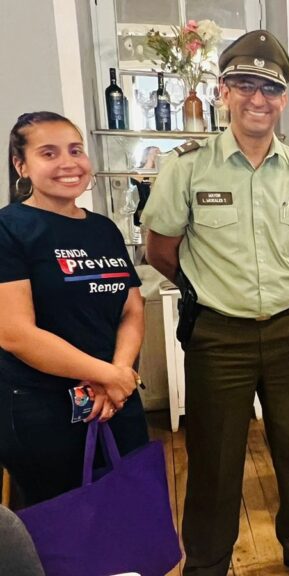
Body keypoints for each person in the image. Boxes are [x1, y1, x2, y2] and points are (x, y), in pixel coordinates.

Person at [143, 31, 289, 576]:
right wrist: (212, 289)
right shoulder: (188, 167)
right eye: (246, 84)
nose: (258, 98)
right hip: (218, 337)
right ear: (223, 90)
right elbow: (160, 249)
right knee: (215, 461)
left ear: (284, 98)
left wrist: (277, 285)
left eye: (270, 88)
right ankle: (207, 564)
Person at [0, 111, 147, 506]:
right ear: (21, 165)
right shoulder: (9, 229)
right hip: (44, 411)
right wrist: (107, 375)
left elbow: (132, 309)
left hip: (116, 401)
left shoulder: (103, 229)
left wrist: (118, 375)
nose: (68, 163)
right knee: (63, 525)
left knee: (128, 512)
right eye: (49, 153)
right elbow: (15, 334)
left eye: (76, 150)